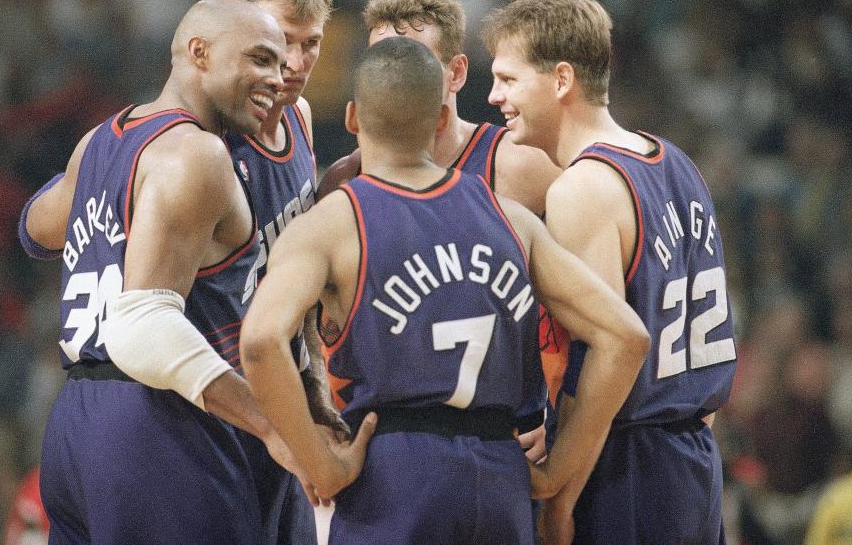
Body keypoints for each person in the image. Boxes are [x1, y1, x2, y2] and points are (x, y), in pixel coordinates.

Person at [240, 36, 649, 544]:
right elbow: (627, 336)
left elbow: (260, 342)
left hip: (393, 471)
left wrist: (317, 462)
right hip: (500, 472)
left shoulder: (331, 224)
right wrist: (559, 468)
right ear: (439, 119)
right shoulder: (512, 218)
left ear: (351, 118)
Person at [18, 0, 302, 543]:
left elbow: (33, 229)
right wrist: (272, 425)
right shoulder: (198, 155)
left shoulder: (100, 141)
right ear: (199, 52)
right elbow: (143, 328)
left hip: (76, 424)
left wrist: (103, 196)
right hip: (159, 419)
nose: (279, 76)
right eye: (261, 59)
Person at [484, 0, 738, 544]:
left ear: (562, 80)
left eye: (507, 79)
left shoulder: (582, 188)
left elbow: (606, 359)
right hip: (694, 455)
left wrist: (558, 490)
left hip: (628, 465)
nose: (494, 96)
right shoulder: (676, 161)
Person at [316, 0, 565, 463]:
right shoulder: (344, 180)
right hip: (390, 439)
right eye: (382, 61)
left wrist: (563, 420)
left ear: (455, 72)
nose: (396, 73)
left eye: (413, 59)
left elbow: (593, 304)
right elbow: (315, 327)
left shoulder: (518, 165)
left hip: (506, 433)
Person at [223, 0, 338, 544]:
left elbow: (304, 272)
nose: (295, 61)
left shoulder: (302, 120)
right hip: (215, 411)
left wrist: (315, 380)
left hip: (281, 403)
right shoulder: (202, 144)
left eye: (310, 42)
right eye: (280, 41)